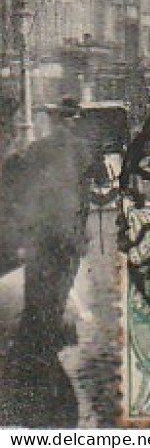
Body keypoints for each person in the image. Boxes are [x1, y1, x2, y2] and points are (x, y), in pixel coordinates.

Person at [0, 98, 100, 362]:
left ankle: (37, 336)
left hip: (43, 228)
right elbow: (91, 192)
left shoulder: (36, 150)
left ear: (54, 121)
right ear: (71, 121)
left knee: (38, 280)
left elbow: (19, 186)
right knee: (61, 279)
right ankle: (50, 332)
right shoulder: (83, 151)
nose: (66, 123)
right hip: (67, 229)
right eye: (67, 119)